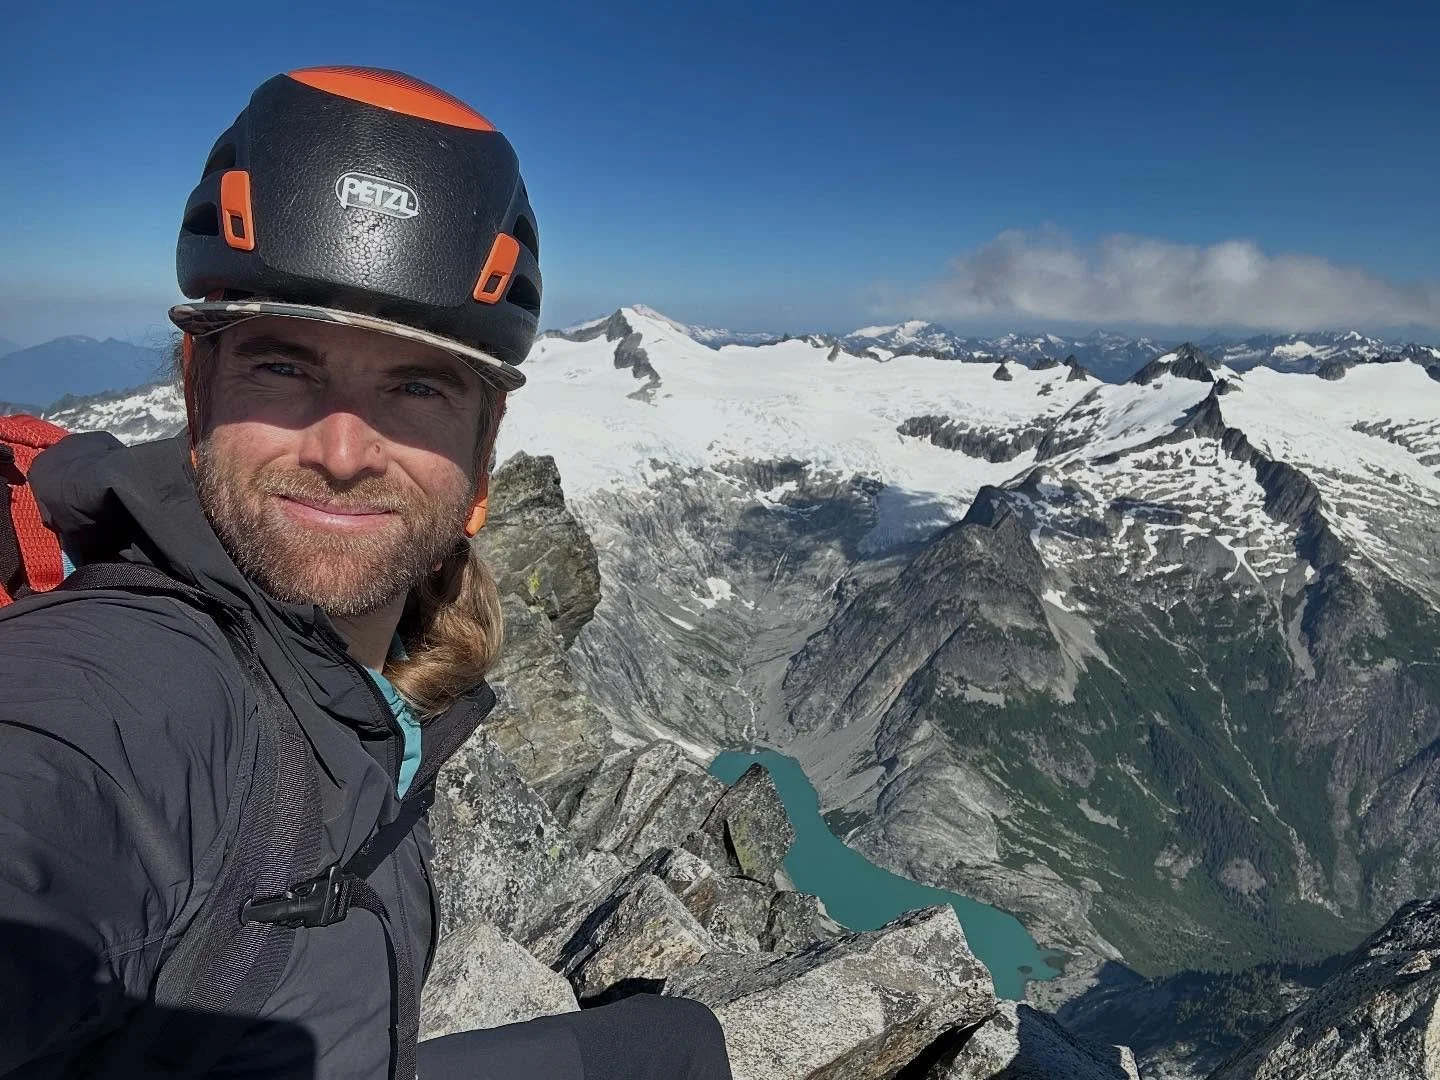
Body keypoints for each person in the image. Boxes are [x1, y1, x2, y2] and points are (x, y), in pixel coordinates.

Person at [0, 66, 733, 1080]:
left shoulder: (363, 685)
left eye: (417, 386)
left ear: (483, 452)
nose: (342, 453)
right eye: (283, 366)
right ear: (198, 391)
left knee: (673, 1046)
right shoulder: (127, 682)